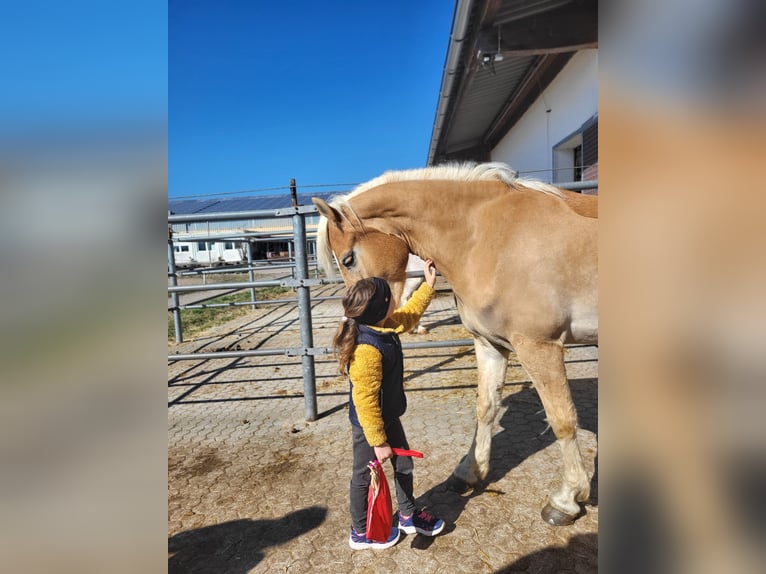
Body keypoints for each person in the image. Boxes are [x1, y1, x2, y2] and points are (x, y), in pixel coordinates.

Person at [333, 259, 445, 550]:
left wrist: (428, 286)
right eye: (391, 296)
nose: (396, 297)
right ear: (381, 308)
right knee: (363, 474)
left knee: (403, 464)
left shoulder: (383, 326)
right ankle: (359, 532)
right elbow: (365, 402)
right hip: (369, 426)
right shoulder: (367, 349)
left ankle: (407, 515)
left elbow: (408, 316)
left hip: (389, 416)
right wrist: (378, 442)